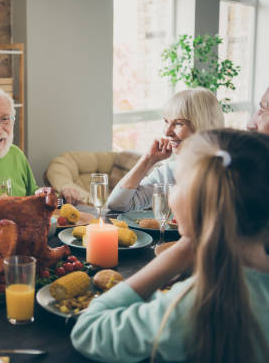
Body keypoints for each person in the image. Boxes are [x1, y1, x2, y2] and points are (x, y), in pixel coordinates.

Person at [71, 129, 269, 362]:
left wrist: (174, 257)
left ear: (196, 200)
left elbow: (89, 330)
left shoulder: (196, 306)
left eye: (177, 184)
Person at [106, 88, 224, 212]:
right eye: (166, 121)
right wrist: (148, 160)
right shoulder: (169, 173)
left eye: (178, 123)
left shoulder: (229, 172)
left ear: (203, 125)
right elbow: (117, 204)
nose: (167, 132)